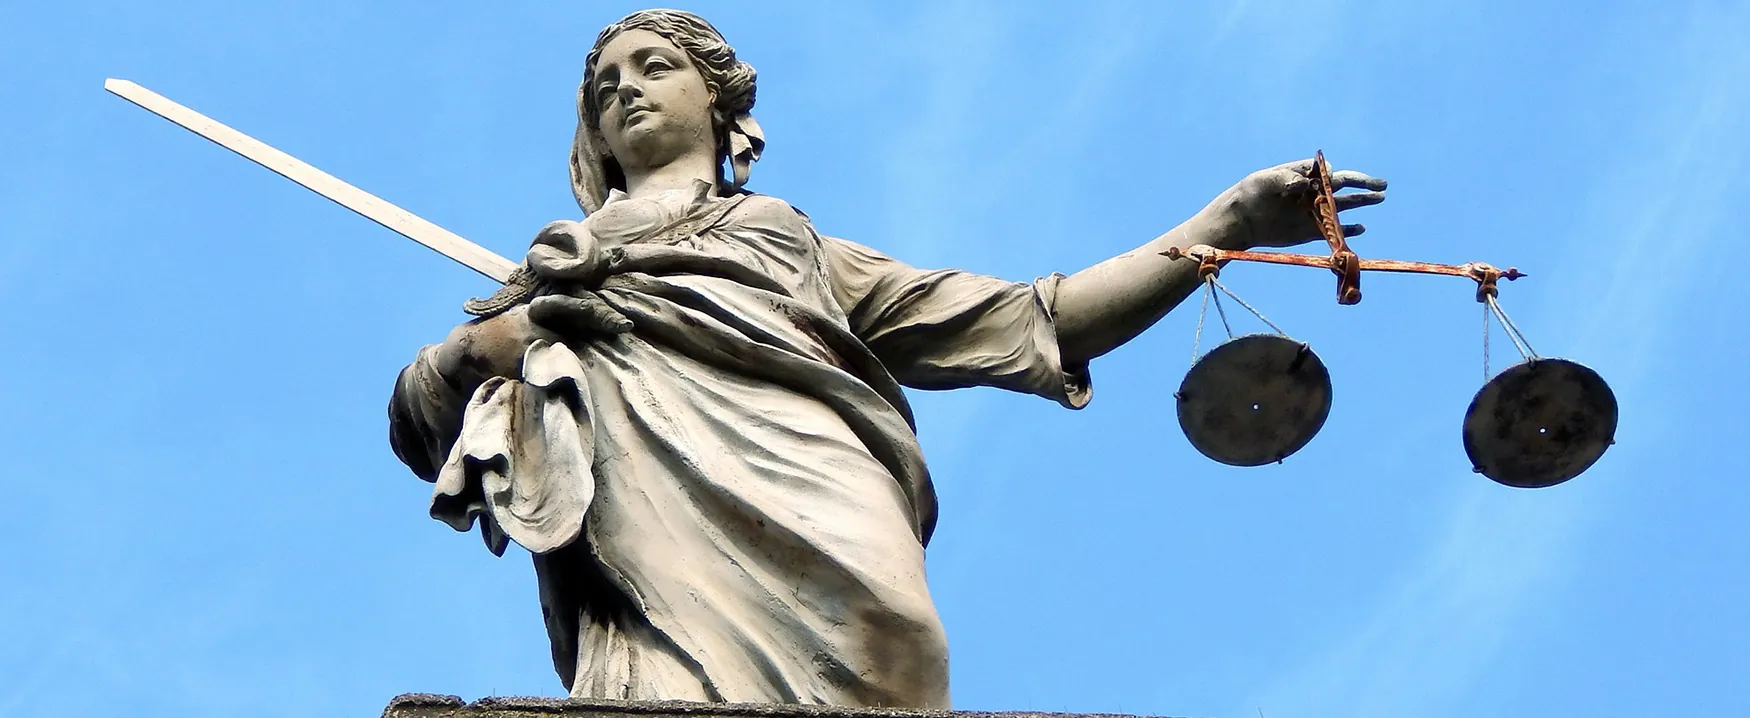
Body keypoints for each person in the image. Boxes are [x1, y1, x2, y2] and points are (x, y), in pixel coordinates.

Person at [387, 8, 1386, 709]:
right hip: (644, 479)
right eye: (606, 87)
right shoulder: (557, 267)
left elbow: (1035, 317)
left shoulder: (789, 242)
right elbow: (418, 411)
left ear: (719, 97)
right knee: (666, 682)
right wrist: (483, 345)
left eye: (654, 68)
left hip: (813, 470)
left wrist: (1222, 222)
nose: (626, 91)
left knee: (893, 641)